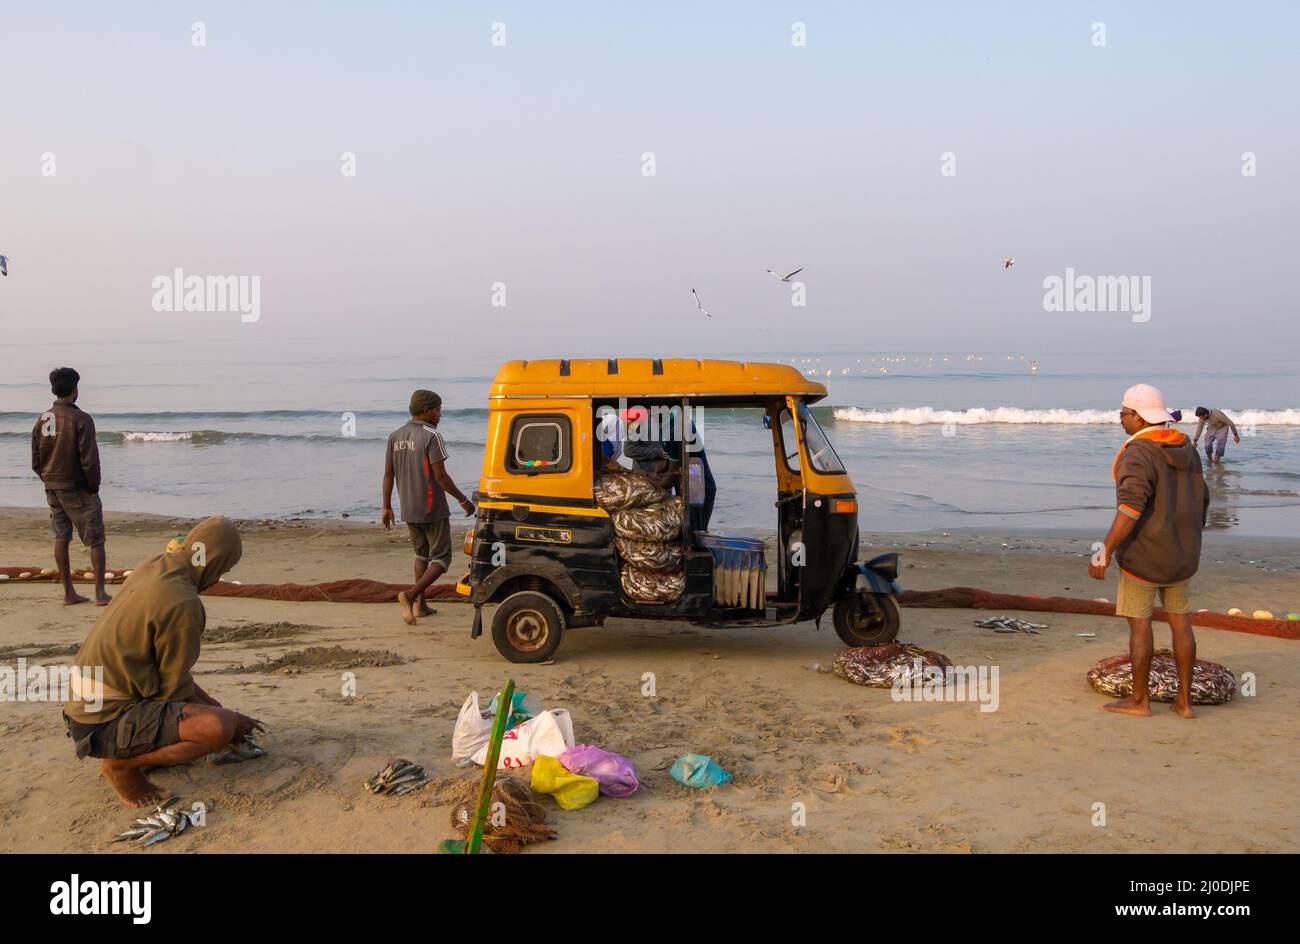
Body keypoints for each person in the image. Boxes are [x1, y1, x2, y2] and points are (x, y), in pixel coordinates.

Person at [61, 516, 263, 806]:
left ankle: (140, 752)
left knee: (218, 717)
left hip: (82, 705)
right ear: (215, 561)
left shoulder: (155, 566)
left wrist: (223, 710)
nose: (218, 578)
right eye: (224, 568)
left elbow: (171, 678)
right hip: (101, 722)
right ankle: (121, 767)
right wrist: (228, 721)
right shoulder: (184, 604)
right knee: (215, 729)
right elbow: (172, 693)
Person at [1089, 384, 1209, 718]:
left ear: (1139, 418)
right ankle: (1184, 702)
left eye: (1124, 414)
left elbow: (1130, 509)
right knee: (1181, 625)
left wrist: (1107, 549)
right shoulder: (1187, 448)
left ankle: (1139, 701)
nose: (1120, 419)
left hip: (1143, 558)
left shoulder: (1137, 453)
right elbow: (1203, 500)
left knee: (1140, 627)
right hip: (1183, 556)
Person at [382, 389, 474, 625]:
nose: (440, 414)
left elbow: (388, 474)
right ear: (426, 410)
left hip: (408, 508)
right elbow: (440, 477)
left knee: (421, 554)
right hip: (432, 506)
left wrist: (386, 507)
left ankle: (421, 606)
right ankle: (410, 596)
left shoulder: (395, 435)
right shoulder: (432, 436)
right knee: (442, 559)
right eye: (438, 409)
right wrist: (463, 500)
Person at [31, 367, 110, 606]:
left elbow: (36, 458)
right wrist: (93, 486)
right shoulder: (81, 419)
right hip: (76, 487)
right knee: (95, 539)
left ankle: (69, 593)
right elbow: (89, 459)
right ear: (75, 391)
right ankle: (99, 593)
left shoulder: (44, 418)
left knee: (61, 537)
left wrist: (46, 477)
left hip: (52, 485)